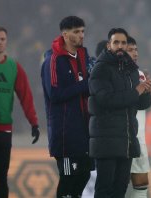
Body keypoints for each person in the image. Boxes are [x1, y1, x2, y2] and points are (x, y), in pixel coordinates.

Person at [88, 28, 151, 198]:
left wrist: (147, 92)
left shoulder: (131, 70)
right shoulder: (100, 69)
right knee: (104, 189)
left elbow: (139, 104)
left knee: (120, 190)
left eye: (123, 43)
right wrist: (136, 91)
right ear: (109, 45)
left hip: (127, 139)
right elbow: (106, 100)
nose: (120, 46)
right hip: (107, 139)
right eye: (116, 42)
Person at [41, 16, 93, 198]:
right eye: (76, 32)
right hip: (64, 135)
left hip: (84, 131)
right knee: (68, 178)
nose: (81, 35)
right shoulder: (53, 61)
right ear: (65, 34)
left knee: (85, 173)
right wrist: (85, 85)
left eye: (83, 31)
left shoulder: (83, 57)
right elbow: (54, 94)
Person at [0, 26, 40, 198]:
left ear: (6, 42)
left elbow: (26, 96)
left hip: (4, 130)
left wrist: (34, 122)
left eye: (2, 39)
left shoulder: (14, 67)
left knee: (1, 177)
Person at [125, 36, 151, 198]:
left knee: (142, 186)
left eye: (136, 50)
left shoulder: (140, 75)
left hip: (139, 141)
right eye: (130, 50)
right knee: (123, 187)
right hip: (124, 140)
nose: (135, 53)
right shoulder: (119, 76)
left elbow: (141, 107)